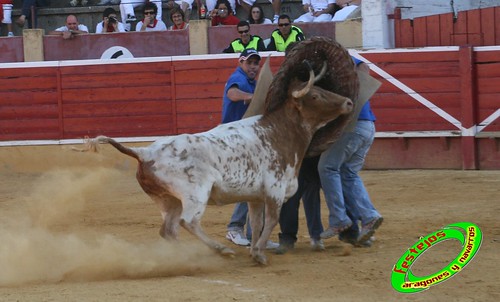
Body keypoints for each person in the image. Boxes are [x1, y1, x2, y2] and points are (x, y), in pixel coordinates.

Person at [318, 57, 383, 244]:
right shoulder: (341, 72)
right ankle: (369, 217)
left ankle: (339, 219)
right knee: (348, 173)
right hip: (368, 126)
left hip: (352, 127)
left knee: (327, 168)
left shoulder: (335, 63)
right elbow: (363, 66)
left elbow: (363, 65)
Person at [222, 49, 278, 250]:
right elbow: (232, 93)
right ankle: (235, 227)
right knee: (251, 185)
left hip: (246, 140)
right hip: (233, 140)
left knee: (254, 185)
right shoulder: (238, 77)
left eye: (256, 63)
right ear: (241, 62)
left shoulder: (255, 82)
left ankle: (253, 233)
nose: (253, 67)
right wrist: (251, 96)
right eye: (250, 63)